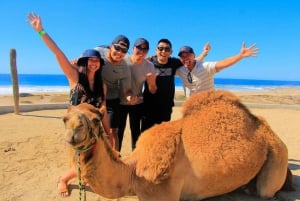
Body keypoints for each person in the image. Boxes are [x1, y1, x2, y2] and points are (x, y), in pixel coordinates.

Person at [27, 12, 112, 197]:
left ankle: (86, 177)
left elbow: (102, 111)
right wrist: (41, 31)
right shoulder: (74, 77)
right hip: (76, 128)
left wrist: (109, 131)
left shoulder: (101, 85)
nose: (93, 63)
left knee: (98, 158)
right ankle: (63, 180)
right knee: (80, 162)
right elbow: (58, 53)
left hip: (94, 130)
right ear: (83, 62)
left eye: (96, 61)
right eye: (90, 60)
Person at [141, 39, 208, 131]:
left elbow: (191, 62)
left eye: (167, 49)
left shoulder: (174, 62)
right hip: (148, 106)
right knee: (146, 136)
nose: (163, 51)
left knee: (164, 136)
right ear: (156, 50)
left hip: (166, 107)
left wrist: (204, 53)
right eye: (160, 48)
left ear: (171, 52)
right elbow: (134, 64)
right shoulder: (148, 62)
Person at [176, 42, 259, 97]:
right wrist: (204, 53)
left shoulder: (206, 67)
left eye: (187, 55)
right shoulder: (180, 70)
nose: (185, 58)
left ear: (193, 55)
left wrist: (240, 55)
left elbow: (223, 63)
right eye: (182, 56)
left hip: (210, 104)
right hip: (192, 107)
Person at [118, 38, 157, 151]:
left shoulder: (149, 66)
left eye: (145, 49)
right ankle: (116, 158)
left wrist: (152, 82)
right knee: (119, 131)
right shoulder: (123, 60)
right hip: (120, 102)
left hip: (137, 103)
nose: (142, 51)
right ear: (133, 48)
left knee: (136, 132)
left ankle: (135, 160)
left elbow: (153, 90)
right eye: (139, 47)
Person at [94, 35, 133, 150]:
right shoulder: (98, 52)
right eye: (117, 48)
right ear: (111, 47)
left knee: (113, 131)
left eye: (124, 51)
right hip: (94, 96)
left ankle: (115, 158)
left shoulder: (125, 68)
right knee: (92, 130)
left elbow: (127, 90)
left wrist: (130, 96)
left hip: (112, 98)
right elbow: (83, 64)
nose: (120, 52)